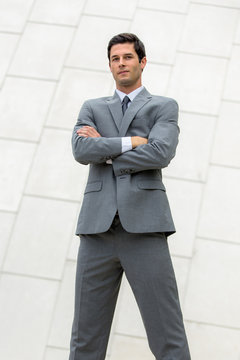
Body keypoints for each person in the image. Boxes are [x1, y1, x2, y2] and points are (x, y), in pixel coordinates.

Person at [69, 33, 191, 360]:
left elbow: (161, 153)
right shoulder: (92, 107)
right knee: (85, 339)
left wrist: (105, 149)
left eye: (127, 57)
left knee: (168, 336)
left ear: (142, 62)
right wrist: (133, 142)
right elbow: (81, 149)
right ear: (110, 65)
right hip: (97, 231)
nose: (121, 63)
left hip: (145, 229)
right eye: (115, 59)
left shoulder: (163, 106)